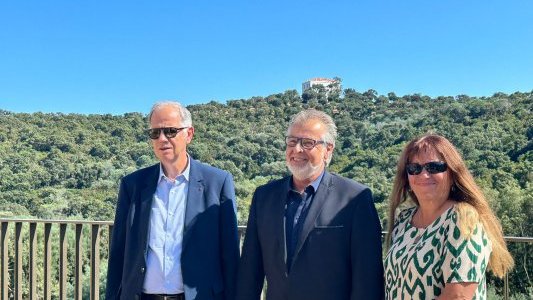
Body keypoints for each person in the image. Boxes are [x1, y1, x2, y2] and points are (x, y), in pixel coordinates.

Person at [236, 109, 384, 300]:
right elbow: (250, 271)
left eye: (307, 143)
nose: (297, 149)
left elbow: (367, 280)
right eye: (292, 141)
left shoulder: (355, 199)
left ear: (328, 149)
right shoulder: (264, 197)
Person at [106, 101, 240, 300]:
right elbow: (118, 254)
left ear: (189, 134)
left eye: (170, 131)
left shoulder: (218, 182)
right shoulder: (132, 185)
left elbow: (230, 256)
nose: (162, 139)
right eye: (155, 132)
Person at [384, 134, 514, 299]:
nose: (423, 175)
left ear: (453, 173)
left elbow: (458, 295)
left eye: (434, 167)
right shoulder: (403, 219)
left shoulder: (464, 219)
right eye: (414, 168)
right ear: (407, 177)